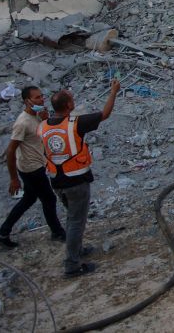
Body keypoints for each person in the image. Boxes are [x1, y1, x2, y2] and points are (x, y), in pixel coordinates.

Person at [39, 78, 121, 277]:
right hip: (76, 180)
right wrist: (113, 93)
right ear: (68, 105)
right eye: (72, 99)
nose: (74, 101)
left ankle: (76, 249)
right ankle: (72, 264)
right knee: (76, 221)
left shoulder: (43, 126)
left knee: (72, 218)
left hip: (56, 180)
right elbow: (105, 114)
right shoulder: (75, 124)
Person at [0, 85, 65, 249]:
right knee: (49, 198)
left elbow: (41, 135)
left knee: (28, 199)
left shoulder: (37, 116)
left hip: (36, 163)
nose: (41, 99)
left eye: (41, 96)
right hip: (31, 168)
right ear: (27, 101)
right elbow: (10, 151)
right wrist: (13, 178)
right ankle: (57, 232)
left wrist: (45, 119)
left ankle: (2, 233)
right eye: (37, 98)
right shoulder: (22, 123)